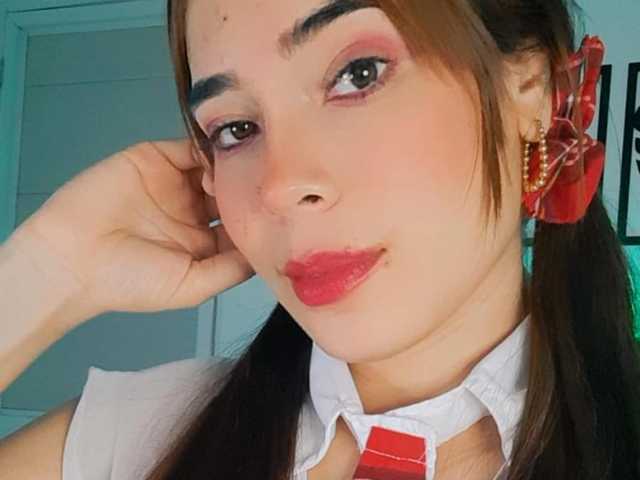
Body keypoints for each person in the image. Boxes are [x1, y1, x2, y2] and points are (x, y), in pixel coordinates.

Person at [1, 0, 639, 479]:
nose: (280, 186)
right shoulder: (137, 439)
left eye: (359, 73)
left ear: (528, 90)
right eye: (235, 128)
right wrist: (49, 270)